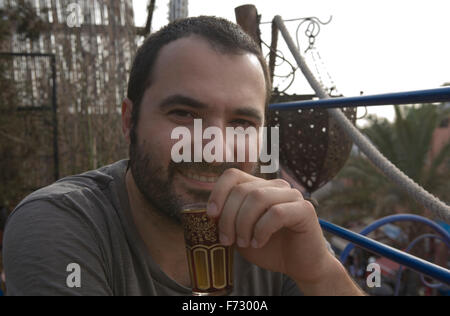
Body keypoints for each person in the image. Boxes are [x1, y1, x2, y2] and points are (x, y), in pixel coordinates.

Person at [2, 16, 364, 296]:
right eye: (183, 114)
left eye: (241, 122)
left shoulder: (272, 232)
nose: (215, 147)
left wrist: (319, 273)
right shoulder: (62, 224)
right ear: (130, 121)